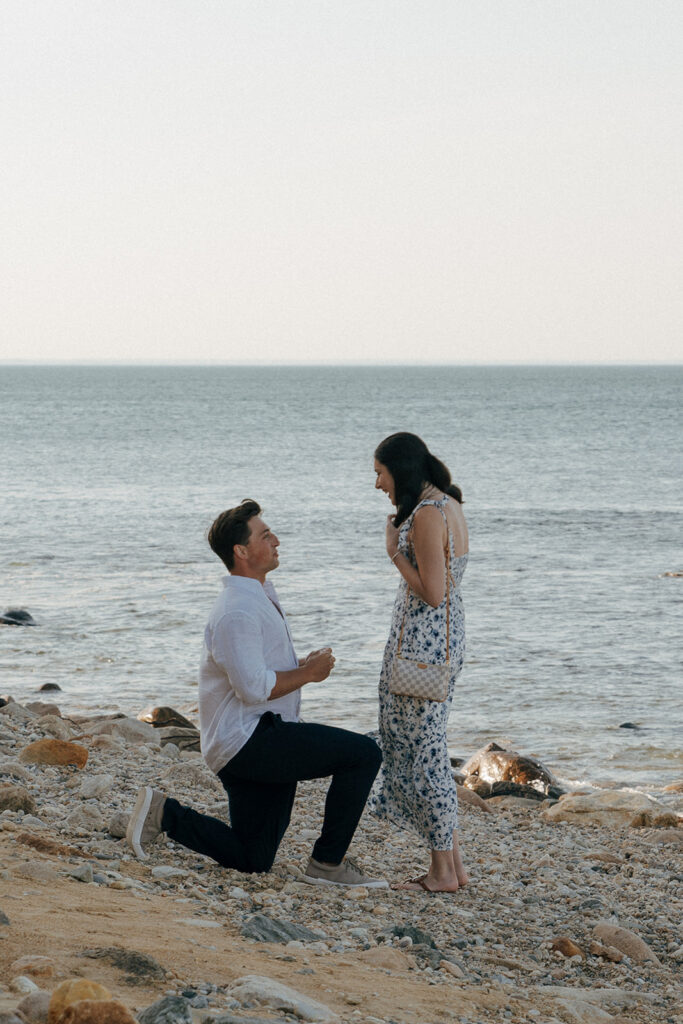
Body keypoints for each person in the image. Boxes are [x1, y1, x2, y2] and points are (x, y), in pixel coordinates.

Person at [127, 499, 385, 888]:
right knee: (364, 754)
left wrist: (300, 663)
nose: (277, 540)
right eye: (266, 535)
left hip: (256, 737)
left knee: (253, 857)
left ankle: (164, 814)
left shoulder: (258, 595)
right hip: (248, 740)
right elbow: (252, 689)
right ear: (241, 551)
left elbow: (255, 667)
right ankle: (327, 864)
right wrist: (308, 674)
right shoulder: (237, 610)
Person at [369, 433, 469, 892]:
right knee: (425, 747)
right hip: (435, 646)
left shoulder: (429, 515)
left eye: (380, 473)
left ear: (401, 470)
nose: (377, 484)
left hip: (421, 651)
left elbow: (433, 593)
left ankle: (442, 873)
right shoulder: (447, 503)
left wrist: (393, 552)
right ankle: (453, 867)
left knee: (422, 755)